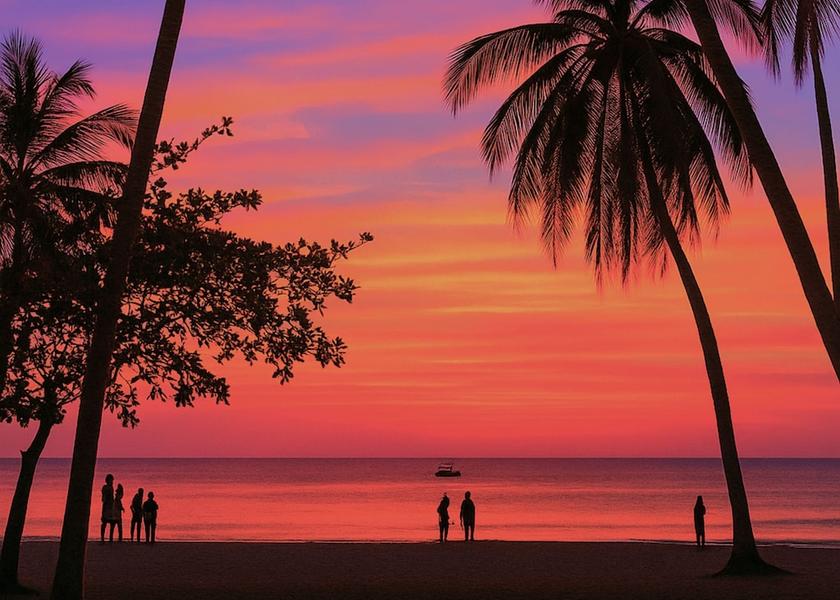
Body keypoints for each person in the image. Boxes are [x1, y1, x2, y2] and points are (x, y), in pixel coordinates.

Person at [100, 474, 115, 543]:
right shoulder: (106, 487)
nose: (112, 481)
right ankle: (102, 538)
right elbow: (104, 497)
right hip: (106, 506)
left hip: (111, 506)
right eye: (111, 480)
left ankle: (110, 538)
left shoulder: (111, 487)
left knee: (112, 522)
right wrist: (105, 501)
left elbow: (112, 497)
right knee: (105, 522)